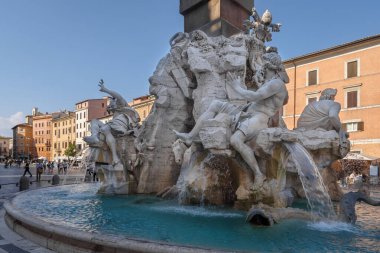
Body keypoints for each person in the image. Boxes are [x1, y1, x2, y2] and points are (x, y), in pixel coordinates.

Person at [175, 51, 289, 188]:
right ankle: (190, 136)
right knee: (216, 104)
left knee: (235, 140)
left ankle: (258, 174)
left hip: (259, 118)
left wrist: (237, 87)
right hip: (246, 112)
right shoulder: (269, 82)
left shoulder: (277, 84)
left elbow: (256, 96)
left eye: (264, 62)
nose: (261, 65)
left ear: (270, 65)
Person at [84, 80, 140, 170]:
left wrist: (105, 90)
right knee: (94, 121)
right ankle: (94, 137)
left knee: (106, 128)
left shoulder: (122, 105)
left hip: (122, 127)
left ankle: (115, 158)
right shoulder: (114, 115)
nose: (110, 105)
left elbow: (118, 96)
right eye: (109, 105)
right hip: (112, 127)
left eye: (111, 103)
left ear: (116, 103)